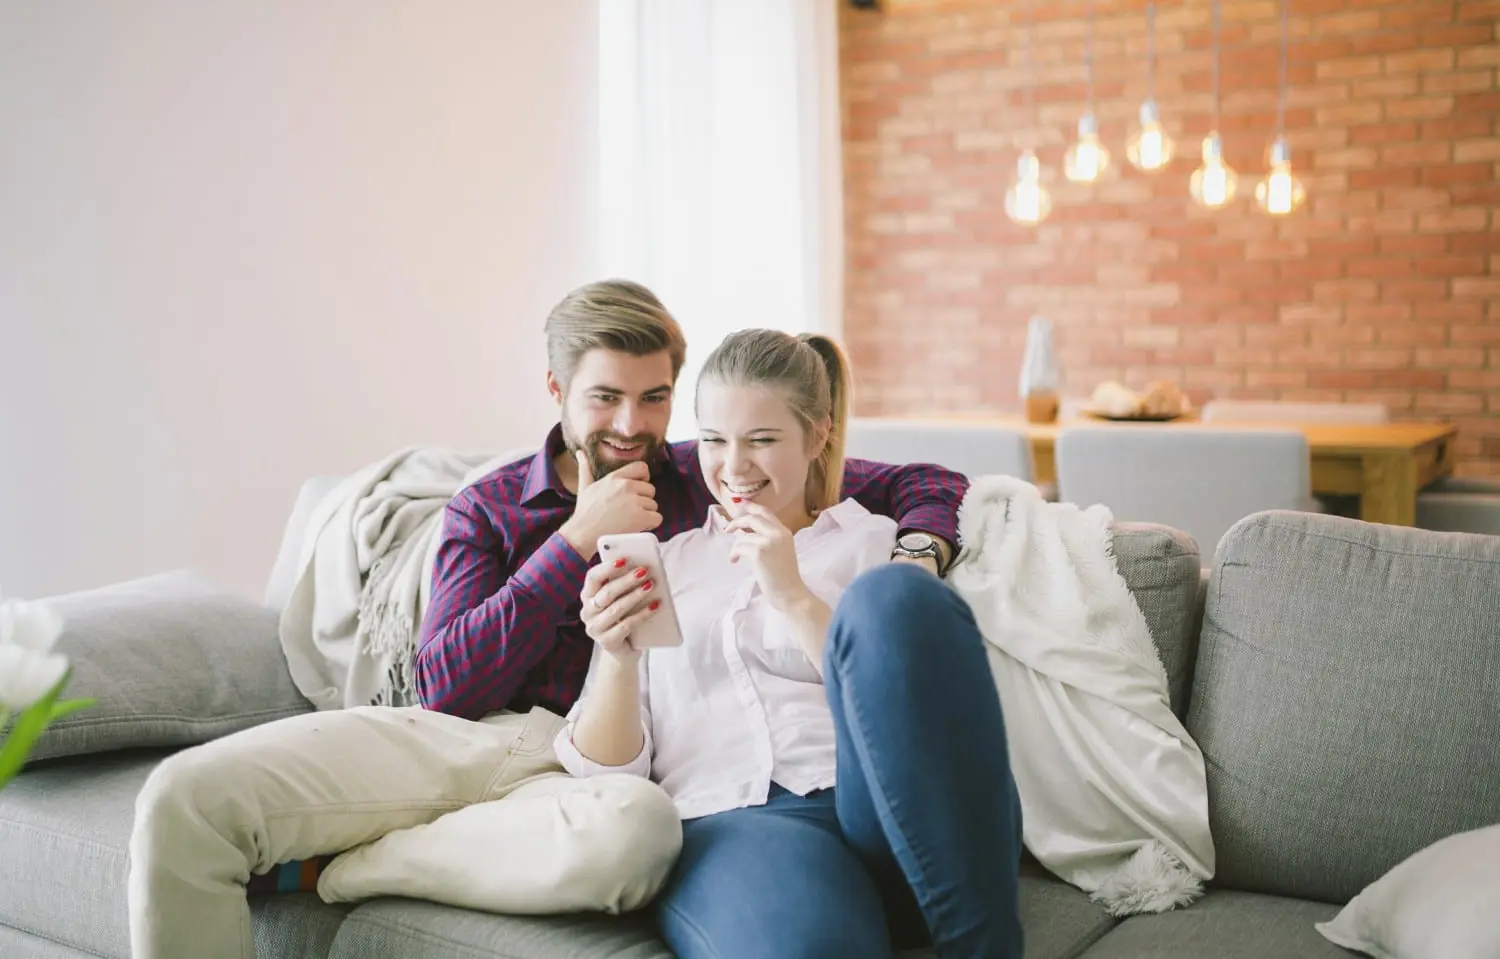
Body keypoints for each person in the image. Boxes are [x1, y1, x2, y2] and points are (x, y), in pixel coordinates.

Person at [127, 280, 971, 959]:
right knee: (182, 798)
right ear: (556, 389)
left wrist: (915, 560)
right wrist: (572, 541)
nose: (632, 425)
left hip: (594, 778)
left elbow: (914, 481)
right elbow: (444, 687)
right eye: (606, 398)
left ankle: (348, 867)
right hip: (467, 736)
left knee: (637, 834)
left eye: (655, 399)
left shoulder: (702, 470)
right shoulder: (489, 508)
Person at [557, 328, 1024, 959]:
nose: (735, 467)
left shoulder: (870, 541)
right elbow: (609, 772)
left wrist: (792, 593)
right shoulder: (665, 564)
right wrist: (617, 653)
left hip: (882, 802)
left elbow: (902, 696)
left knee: (897, 598)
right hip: (742, 826)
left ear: (818, 434)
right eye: (716, 441)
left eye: (763, 440)